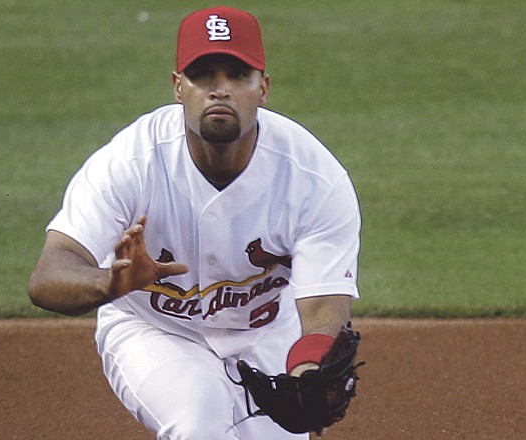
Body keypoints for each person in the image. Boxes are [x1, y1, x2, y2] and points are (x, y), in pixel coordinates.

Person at [29, 6, 362, 440]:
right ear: (178, 87)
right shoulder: (131, 161)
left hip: (265, 334)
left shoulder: (313, 178)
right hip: (154, 330)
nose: (219, 90)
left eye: (237, 75)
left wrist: (307, 363)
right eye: (203, 75)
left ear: (263, 88)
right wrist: (108, 285)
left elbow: (322, 303)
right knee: (198, 422)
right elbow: (48, 275)